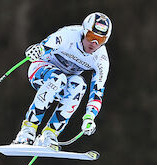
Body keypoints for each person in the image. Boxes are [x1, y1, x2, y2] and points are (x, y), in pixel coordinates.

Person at [13, 12, 112, 149]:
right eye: (91, 37)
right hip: (40, 72)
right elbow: (43, 47)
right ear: (84, 32)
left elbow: (97, 92)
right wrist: (35, 50)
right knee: (58, 78)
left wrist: (89, 117)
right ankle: (27, 130)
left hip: (64, 83)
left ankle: (49, 134)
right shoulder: (69, 35)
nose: (93, 44)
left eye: (100, 41)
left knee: (79, 85)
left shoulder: (101, 59)